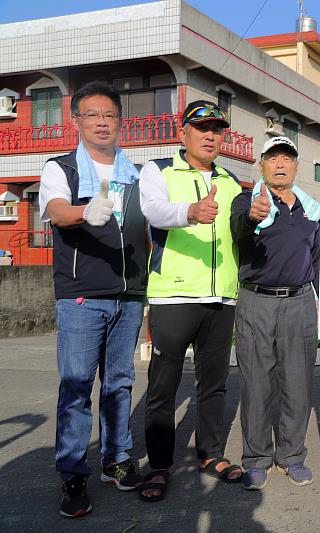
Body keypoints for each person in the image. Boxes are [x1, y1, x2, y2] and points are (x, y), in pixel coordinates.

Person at [40, 82, 148, 518]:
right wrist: (85, 210)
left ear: (120, 121)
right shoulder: (61, 167)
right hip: (82, 296)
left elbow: (150, 225)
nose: (102, 122)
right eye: (92, 114)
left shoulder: (135, 172)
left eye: (109, 114)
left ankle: (116, 459)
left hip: (129, 296)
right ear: (77, 121)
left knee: (120, 382)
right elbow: (56, 210)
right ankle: (72, 474)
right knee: (77, 386)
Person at [137, 100, 243, 502]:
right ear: (183, 133)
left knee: (214, 385)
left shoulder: (231, 181)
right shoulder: (158, 169)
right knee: (162, 387)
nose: (211, 135)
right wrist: (190, 211)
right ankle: (160, 465)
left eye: (217, 129)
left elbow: (240, 232)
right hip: (173, 295)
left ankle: (210, 454)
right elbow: (153, 210)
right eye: (202, 128)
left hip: (221, 298)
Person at [230, 136, 320, 490]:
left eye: (287, 158)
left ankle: (291, 456)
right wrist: (252, 217)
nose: (280, 164)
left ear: (297, 166)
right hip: (256, 300)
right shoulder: (248, 200)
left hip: (300, 301)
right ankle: (256, 459)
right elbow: (238, 226)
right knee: (255, 383)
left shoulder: (309, 209)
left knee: (297, 382)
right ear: (262, 165)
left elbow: (317, 259)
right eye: (273, 158)